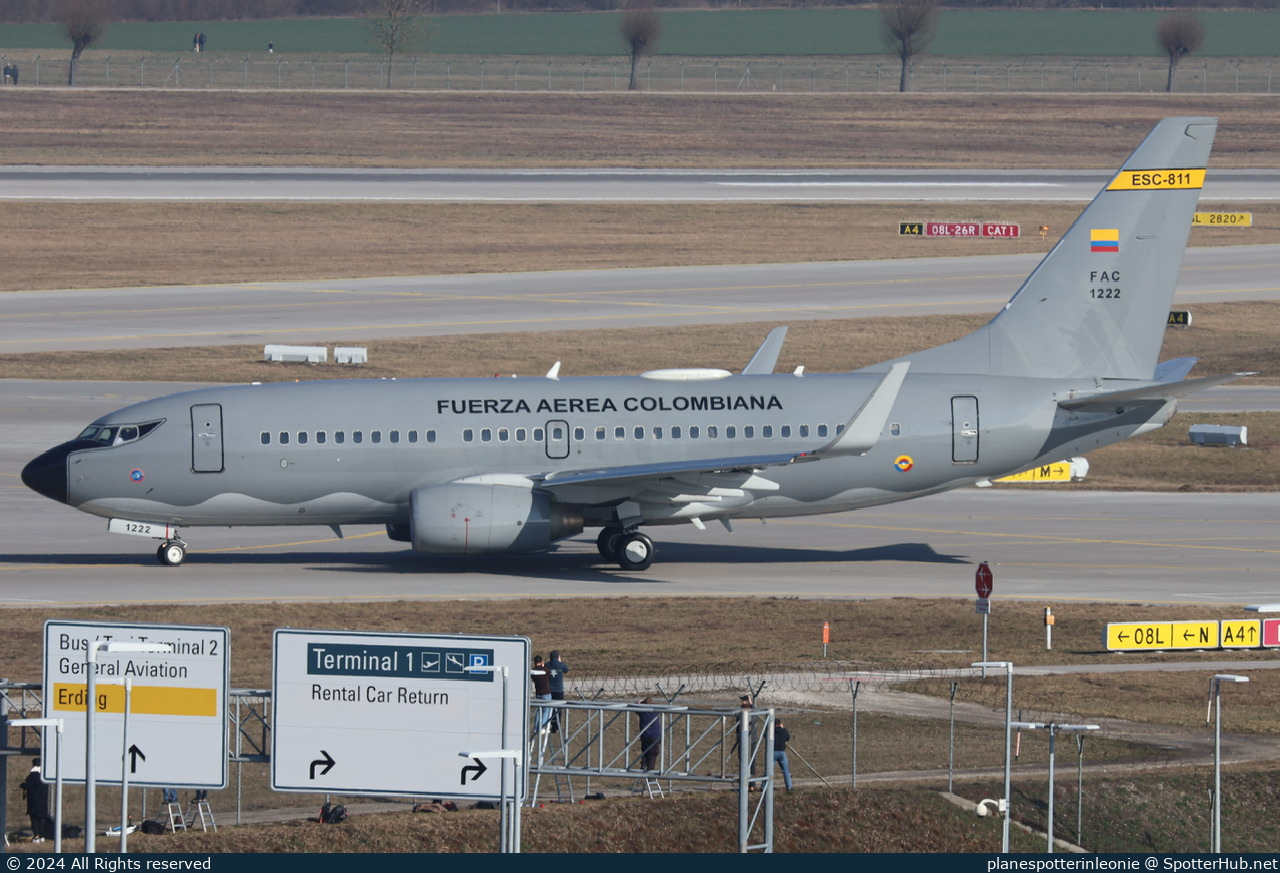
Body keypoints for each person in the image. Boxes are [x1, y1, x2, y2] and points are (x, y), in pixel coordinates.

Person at [20, 758, 51, 842]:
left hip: (34, 801)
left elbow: (27, 786)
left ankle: (36, 836)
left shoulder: (33, 775)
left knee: (34, 819)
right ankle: (42, 836)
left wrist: (22, 785)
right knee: (41, 819)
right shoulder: (44, 776)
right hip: (43, 800)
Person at [547, 650, 569, 732]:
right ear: (558, 657)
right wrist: (560, 662)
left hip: (550, 690)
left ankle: (552, 725)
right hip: (559, 690)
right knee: (558, 709)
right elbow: (566, 670)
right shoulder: (561, 665)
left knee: (551, 709)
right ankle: (557, 726)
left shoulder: (547, 665)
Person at [637, 698, 661, 771]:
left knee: (645, 750)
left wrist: (639, 703)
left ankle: (644, 764)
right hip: (655, 736)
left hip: (645, 736)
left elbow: (633, 706)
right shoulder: (656, 711)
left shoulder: (642, 711)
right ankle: (650, 775)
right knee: (652, 755)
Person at [531, 655, 552, 732]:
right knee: (546, 710)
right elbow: (549, 676)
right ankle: (542, 727)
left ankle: (536, 727)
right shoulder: (545, 670)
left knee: (539, 710)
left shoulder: (533, 671)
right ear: (542, 662)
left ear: (535, 662)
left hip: (538, 693)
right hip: (546, 693)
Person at [773, 719, 793, 791]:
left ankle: (764, 786)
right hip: (782, 752)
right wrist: (783, 728)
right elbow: (788, 738)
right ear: (780, 724)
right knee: (786, 771)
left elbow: (765, 736)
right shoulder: (784, 731)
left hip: (773, 752)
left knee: (769, 770)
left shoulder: (772, 731)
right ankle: (789, 787)